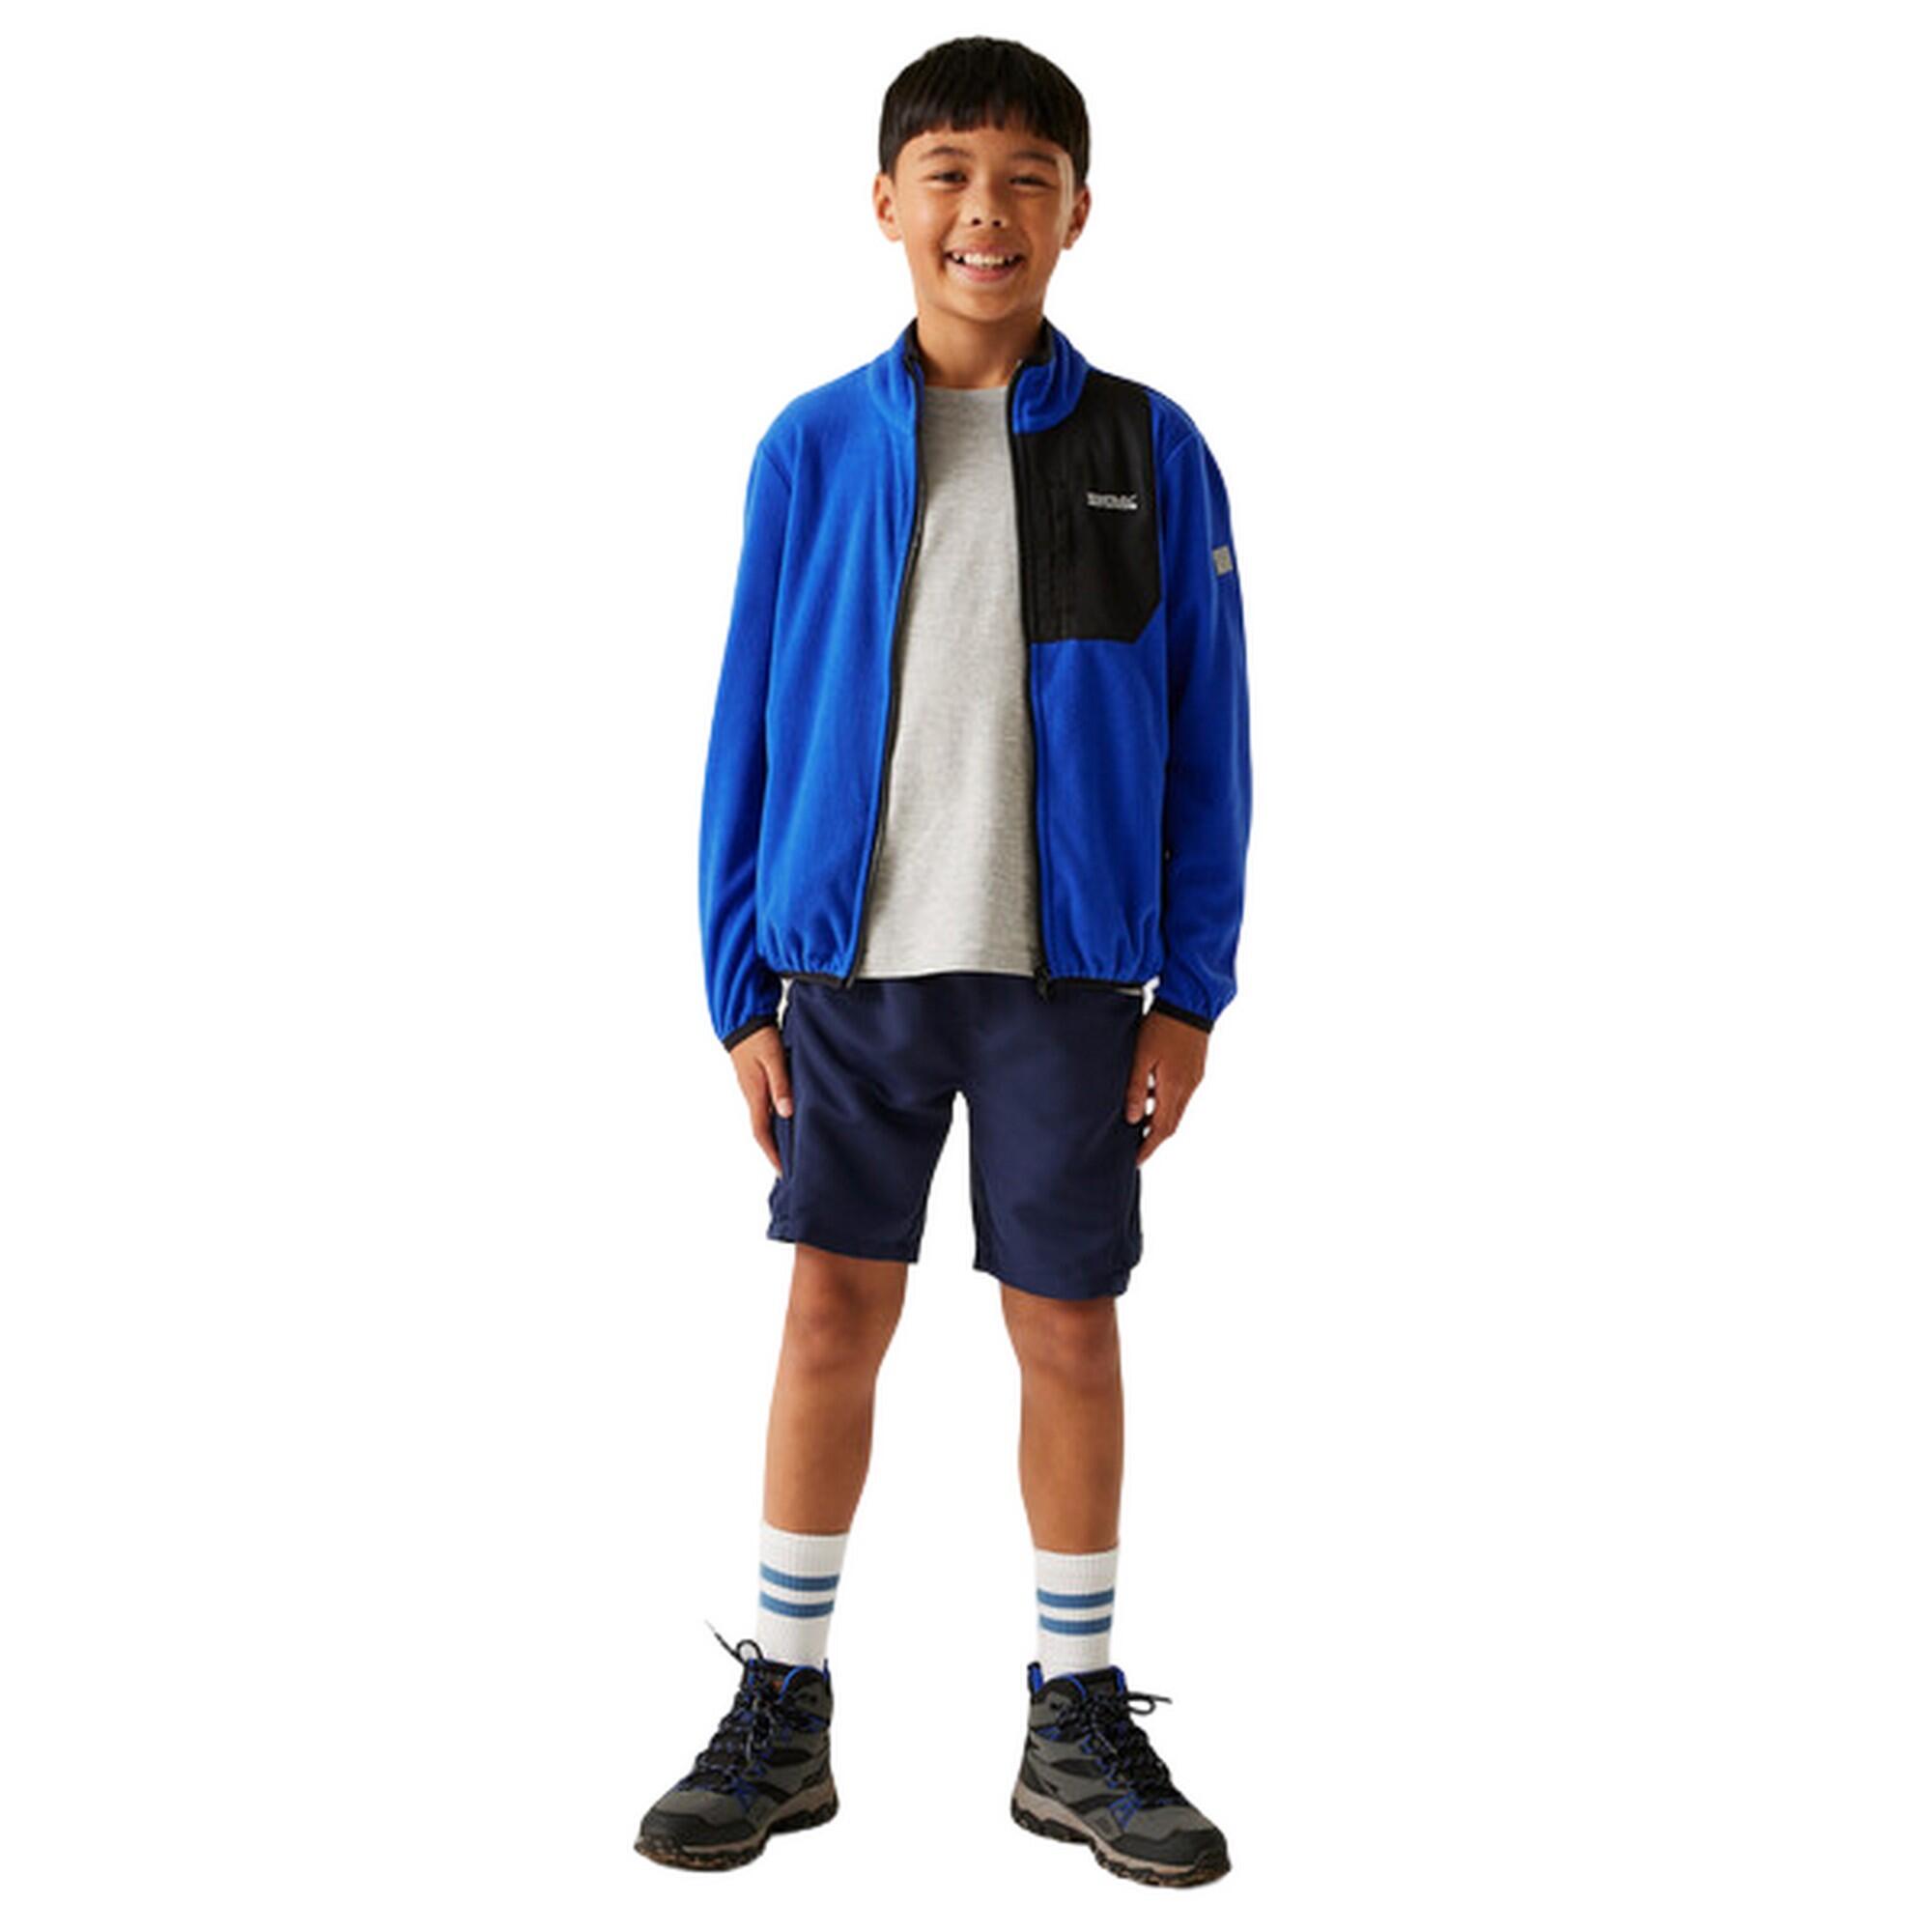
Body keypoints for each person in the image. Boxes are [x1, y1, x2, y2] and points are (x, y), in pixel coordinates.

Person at [636, 35, 1251, 1888]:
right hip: (852, 977)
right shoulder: (813, 446)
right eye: (951, 175)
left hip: (1071, 984)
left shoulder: (1151, 448)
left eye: (1026, 179)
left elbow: (1212, 737)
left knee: (1067, 1324)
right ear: (887, 202)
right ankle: (786, 1702)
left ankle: (1075, 1715)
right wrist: (739, 988)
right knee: (832, 1312)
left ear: (1078, 211)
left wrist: (1192, 990)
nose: (987, 211)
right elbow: (744, 721)